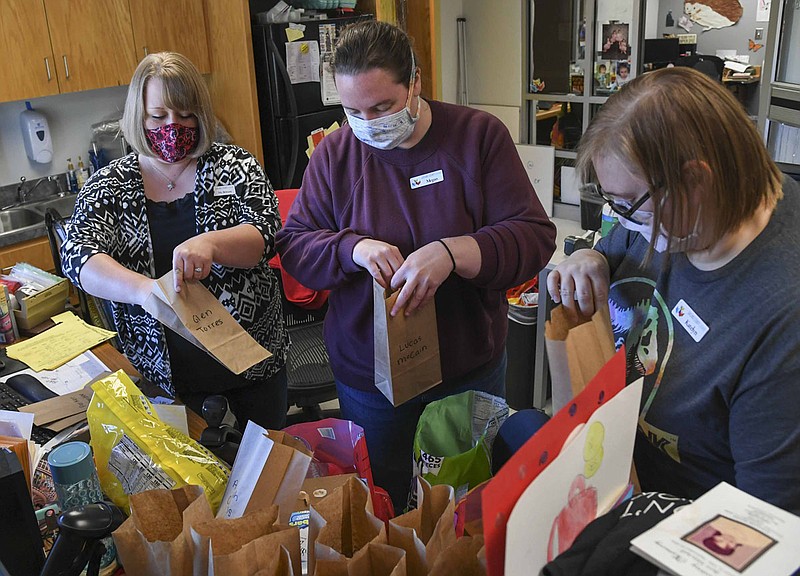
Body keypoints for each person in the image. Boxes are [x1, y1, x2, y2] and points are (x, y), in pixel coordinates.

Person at [275, 20, 556, 510]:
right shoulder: (337, 154)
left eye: (382, 107)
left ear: (416, 83)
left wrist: (453, 253)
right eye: (352, 110)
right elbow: (296, 247)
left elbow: (534, 236)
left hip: (467, 365)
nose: (367, 122)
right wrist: (352, 249)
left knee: (465, 502)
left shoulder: (477, 137)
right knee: (383, 498)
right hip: (371, 378)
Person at [546, 67, 800, 515]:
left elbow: (764, 523)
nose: (623, 220)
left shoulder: (781, 316)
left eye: (628, 205)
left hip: (688, 526)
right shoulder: (674, 217)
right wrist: (593, 258)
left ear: (696, 182)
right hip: (619, 472)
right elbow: (619, 242)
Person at [61, 52, 289, 430]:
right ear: (139, 115)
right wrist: (145, 292)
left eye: (186, 115)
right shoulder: (110, 185)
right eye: (159, 116)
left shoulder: (235, 165)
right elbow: (78, 255)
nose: (174, 125)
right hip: (163, 378)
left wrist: (212, 244)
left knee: (269, 477)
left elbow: (266, 233)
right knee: (192, 486)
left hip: (253, 367)